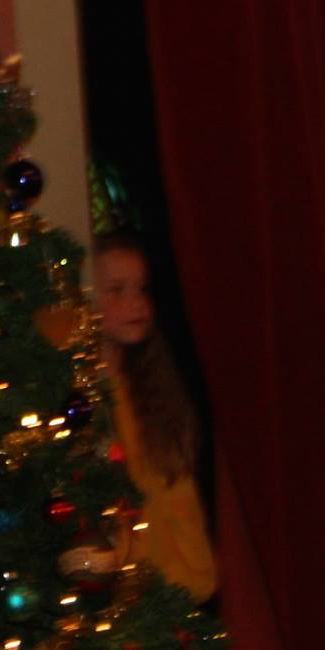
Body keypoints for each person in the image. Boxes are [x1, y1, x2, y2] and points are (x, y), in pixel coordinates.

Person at [88, 230, 217, 603]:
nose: (137, 304)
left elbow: (180, 497)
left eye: (141, 289)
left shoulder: (154, 387)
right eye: (117, 290)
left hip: (175, 591)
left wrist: (196, 580)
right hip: (124, 594)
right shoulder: (87, 402)